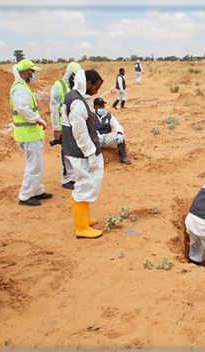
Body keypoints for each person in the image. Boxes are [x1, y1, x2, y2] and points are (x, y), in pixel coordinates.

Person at [62, 69, 106, 239]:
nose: (97, 91)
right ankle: (81, 228)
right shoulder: (77, 102)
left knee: (86, 184)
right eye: (96, 86)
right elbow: (79, 132)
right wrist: (91, 153)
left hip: (79, 151)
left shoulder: (76, 97)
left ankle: (84, 219)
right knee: (84, 186)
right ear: (88, 83)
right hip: (81, 152)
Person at [10, 59, 51, 206]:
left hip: (31, 134)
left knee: (37, 165)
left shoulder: (22, 86)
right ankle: (26, 195)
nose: (33, 75)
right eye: (32, 72)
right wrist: (36, 119)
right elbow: (22, 107)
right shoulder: (20, 88)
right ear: (26, 72)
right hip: (27, 134)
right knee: (33, 166)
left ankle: (37, 190)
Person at [49, 62, 82, 190]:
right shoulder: (58, 86)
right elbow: (53, 108)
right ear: (71, 74)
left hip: (74, 125)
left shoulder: (75, 87)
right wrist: (56, 128)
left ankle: (73, 176)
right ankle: (67, 178)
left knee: (74, 151)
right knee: (66, 153)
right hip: (64, 126)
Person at [93, 97, 131, 164]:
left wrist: (119, 133)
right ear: (95, 106)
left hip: (106, 138)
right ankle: (95, 161)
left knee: (121, 137)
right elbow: (90, 129)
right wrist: (97, 136)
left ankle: (123, 158)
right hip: (96, 138)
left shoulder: (108, 115)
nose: (101, 107)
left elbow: (117, 125)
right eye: (99, 105)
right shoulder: (91, 116)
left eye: (102, 105)